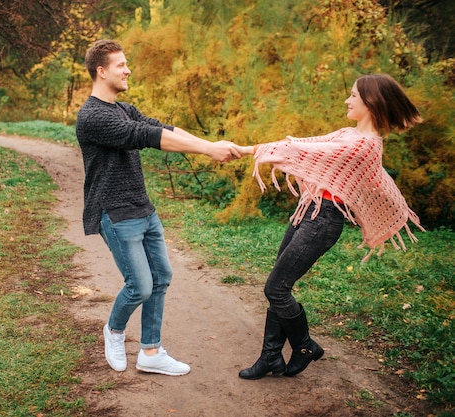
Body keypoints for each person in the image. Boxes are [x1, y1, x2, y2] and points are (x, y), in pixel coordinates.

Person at [235, 73, 424, 380]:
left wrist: (246, 150)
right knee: (278, 286)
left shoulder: (365, 145)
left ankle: (305, 345)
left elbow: (298, 153)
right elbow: (298, 144)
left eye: (353, 96)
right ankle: (270, 357)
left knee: (276, 288)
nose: (348, 100)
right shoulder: (347, 134)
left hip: (323, 221)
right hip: (306, 212)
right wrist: (260, 148)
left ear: (371, 101)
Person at [75, 39, 241, 376]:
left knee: (161, 276)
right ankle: (114, 331)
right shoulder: (92, 116)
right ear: (101, 70)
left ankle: (150, 352)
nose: (128, 69)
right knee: (140, 285)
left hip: (143, 208)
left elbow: (161, 128)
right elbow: (146, 137)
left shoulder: (123, 108)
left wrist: (209, 145)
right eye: (121, 65)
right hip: (115, 212)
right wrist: (208, 150)